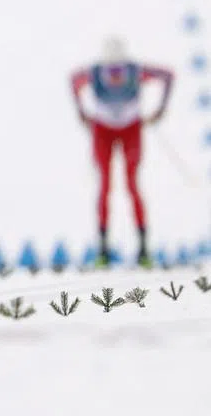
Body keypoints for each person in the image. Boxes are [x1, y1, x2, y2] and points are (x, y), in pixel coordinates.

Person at [70, 37, 173, 267]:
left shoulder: (137, 72)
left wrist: (161, 110)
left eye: (119, 69)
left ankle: (144, 249)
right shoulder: (94, 73)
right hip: (102, 131)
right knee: (105, 185)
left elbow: (168, 75)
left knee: (132, 185)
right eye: (110, 69)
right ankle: (103, 250)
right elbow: (73, 81)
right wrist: (81, 113)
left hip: (131, 130)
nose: (115, 75)